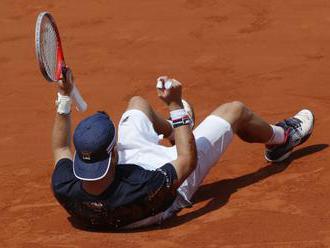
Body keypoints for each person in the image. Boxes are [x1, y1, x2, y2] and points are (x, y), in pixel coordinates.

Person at [51, 68, 314, 230]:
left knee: (137, 104)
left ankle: (175, 132)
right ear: (114, 153)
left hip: (126, 175)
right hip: (174, 183)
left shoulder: (65, 185)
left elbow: (61, 147)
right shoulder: (145, 185)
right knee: (235, 111)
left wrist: (64, 95)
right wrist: (175, 106)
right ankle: (283, 139)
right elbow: (187, 161)